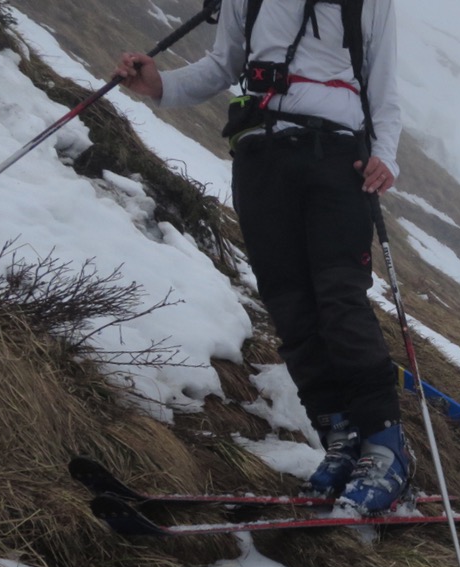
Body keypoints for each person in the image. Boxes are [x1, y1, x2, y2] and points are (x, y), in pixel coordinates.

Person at [114, 0, 411, 511]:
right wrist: (160, 88)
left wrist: (387, 156)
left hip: (337, 160)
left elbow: (382, 86)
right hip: (260, 159)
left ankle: (385, 448)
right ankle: (340, 440)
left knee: (339, 298)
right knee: (291, 306)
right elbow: (223, 64)